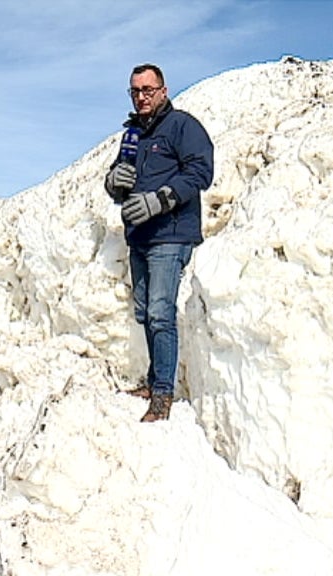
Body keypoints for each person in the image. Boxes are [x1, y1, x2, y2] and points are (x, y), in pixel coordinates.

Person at [104, 63, 214, 422]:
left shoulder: (182, 126)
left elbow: (200, 172)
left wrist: (160, 200)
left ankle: (163, 394)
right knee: (144, 312)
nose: (141, 97)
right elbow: (122, 184)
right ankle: (154, 381)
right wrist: (114, 181)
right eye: (135, 91)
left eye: (148, 90)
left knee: (160, 312)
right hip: (140, 236)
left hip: (171, 233)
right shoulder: (132, 135)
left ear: (163, 91)